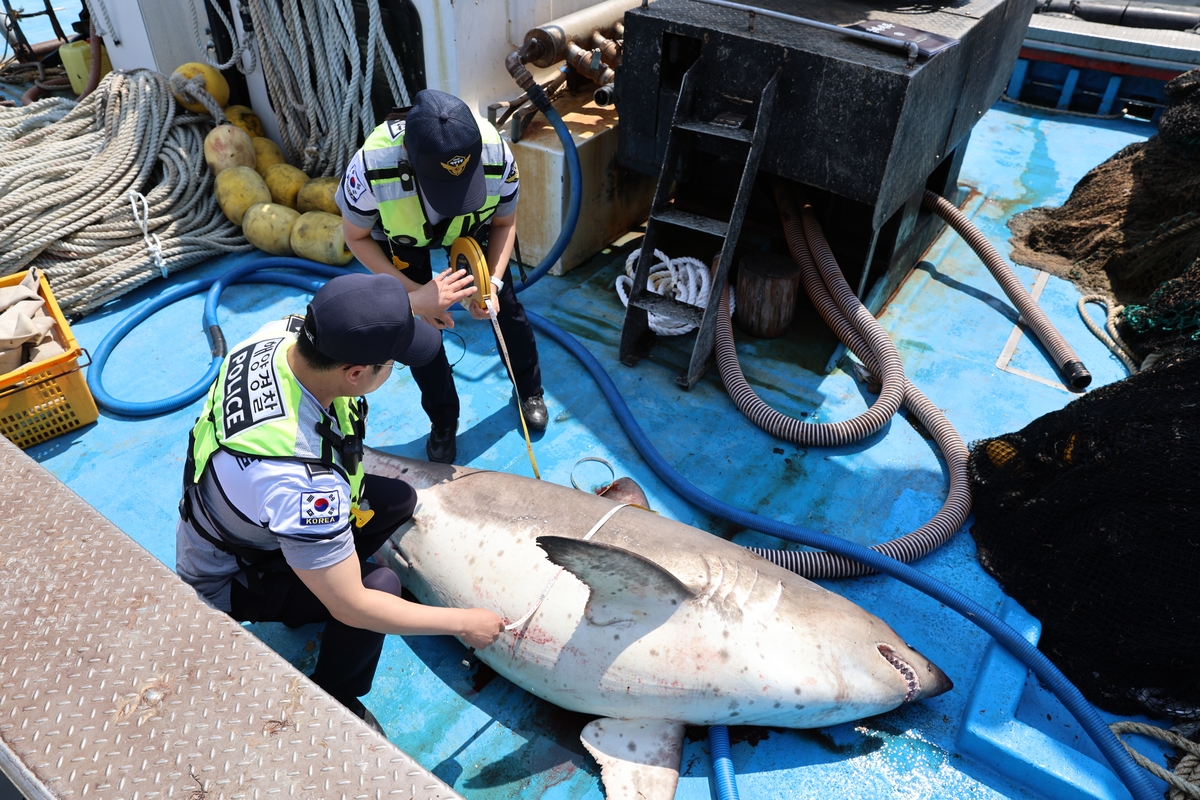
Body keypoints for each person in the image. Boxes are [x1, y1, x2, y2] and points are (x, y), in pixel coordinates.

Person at [175, 272, 504, 730]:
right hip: (236, 575)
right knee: (377, 590)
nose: (394, 369)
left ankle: (312, 582)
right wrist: (463, 622)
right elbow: (353, 606)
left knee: (397, 500)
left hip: (254, 520)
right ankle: (333, 693)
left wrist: (413, 305)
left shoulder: (281, 335)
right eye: (393, 362)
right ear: (355, 373)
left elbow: (351, 317)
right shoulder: (302, 484)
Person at [336, 88, 548, 464]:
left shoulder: (497, 154)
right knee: (419, 330)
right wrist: (417, 297)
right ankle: (443, 421)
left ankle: (530, 390)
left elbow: (505, 222)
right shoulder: (372, 166)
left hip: (473, 229)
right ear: (408, 160)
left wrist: (493, 284)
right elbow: (355, 237)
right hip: (404, 238)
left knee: (507, 310)